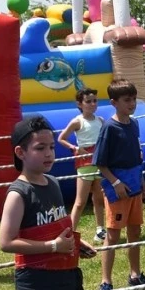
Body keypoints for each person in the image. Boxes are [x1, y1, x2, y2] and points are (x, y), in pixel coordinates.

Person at [0, 115, 98, 290]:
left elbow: (58, 224)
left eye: (52, 147)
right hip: (37, 283)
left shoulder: (52, 182)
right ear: (20, 153)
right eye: (40, 148)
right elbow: (6, 241)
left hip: (67, 275)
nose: (49, 154)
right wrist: (53, 246)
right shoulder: (18, 193)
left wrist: (76, 242)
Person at [93, 79, 145, 290]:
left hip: (135, 187)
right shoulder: (109, 127)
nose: (132, 103)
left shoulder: (134, 124)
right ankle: (106, 282)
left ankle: (135, 274)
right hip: (118, 191)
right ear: (114, 102)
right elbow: (100, 162)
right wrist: (115, 183)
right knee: (113, 236)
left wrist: (142, 179)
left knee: (134, 232)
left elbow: (137, 155)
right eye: (127, 100)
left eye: (134, 99)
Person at [57, 88, 107, 243]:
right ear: (79, 104)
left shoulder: (100, 120)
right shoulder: (77, 121)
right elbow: (61, 138)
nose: (92, 104)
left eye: (95, 101)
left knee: (99, 198)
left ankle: (100, 229)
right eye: (88, 101)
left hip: (99, 162)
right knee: (80, 202)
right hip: (84, 163)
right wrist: (75, 148)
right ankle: (69, 232)